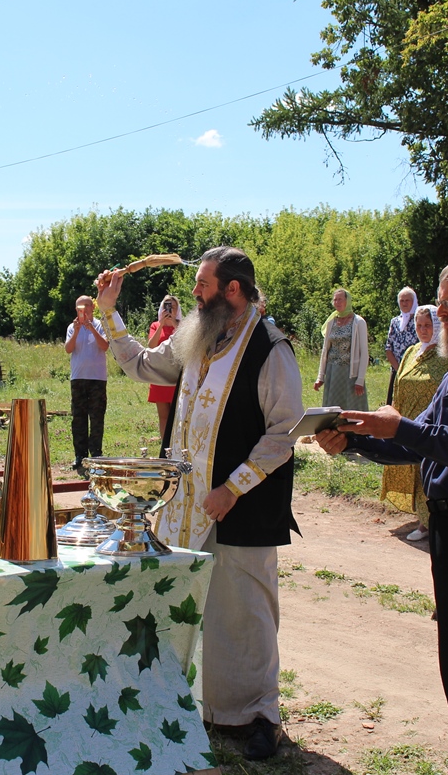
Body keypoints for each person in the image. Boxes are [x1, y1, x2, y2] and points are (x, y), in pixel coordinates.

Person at [314, 258, 448, 774]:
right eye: (441, 303)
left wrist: (397, 429)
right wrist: (354, 441)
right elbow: (421, 444)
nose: (442, 315)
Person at [94, 246, 303, 762]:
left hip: (241, 507)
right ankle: (203, 706)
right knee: (197, 607)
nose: (194, 292)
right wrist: (109, 311)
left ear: (233, 290)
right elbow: (143, 366)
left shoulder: (270, 347)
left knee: (246, 613)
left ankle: (259, 716)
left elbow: (285, 430)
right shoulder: (198, 334)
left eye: (203, 285)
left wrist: (233, 486)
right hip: (186, 506)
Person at [379, 304, 448, 542]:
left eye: (428, 325)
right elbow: (399, 383)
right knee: (410, 468)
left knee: (426, 471)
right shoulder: (411, 352)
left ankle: (429, 523)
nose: (423, 330)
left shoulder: (446, 356)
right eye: (419, 325)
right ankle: (423, 518)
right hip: (406, 419)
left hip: (431, 424)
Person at [65, 295, 109, 475]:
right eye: (78, 308)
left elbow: (105, 346)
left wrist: (91, 328)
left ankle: (96, 454)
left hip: (97, 378)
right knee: (79, 417)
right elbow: (68, 349)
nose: (82, 311)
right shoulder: (71, 327)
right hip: (78, 378)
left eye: (85, 307)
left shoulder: (99, 324)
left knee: (97, 417)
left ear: (92, 307)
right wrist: (76, 331)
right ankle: (80, 455)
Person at [314, 288, 369, 410]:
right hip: (332, 372)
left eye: (340, 299)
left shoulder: (358, 322)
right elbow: (325, 351)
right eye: (335, 300)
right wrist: (320, 377)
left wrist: (360, 379)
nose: (337, 302)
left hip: (350, 373)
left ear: (347, 301)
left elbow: (364, 353)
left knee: (352, 408)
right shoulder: (331, 322)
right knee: (332, 408)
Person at [147, 295, 182, 439]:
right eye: (166, 306)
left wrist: (175, 324)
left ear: (177, 309)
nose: (169, 309)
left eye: (172, 307)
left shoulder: (182, 325)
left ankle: (177, 445)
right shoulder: (155, 325)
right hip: (159, 375)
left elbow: (185, 344)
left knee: (177, 416)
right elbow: (151, 346)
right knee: (163, 417)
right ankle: (164, 447)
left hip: (176, 375)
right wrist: (161, 324)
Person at [385, 287, 419, 402]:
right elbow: (388, 348)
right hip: (397, 369)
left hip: (416, 369)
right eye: (401, 300)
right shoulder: (395, 322)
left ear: (413, 301)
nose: (404, 303)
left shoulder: (420, 321)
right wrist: (398, 369)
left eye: (407, 300)